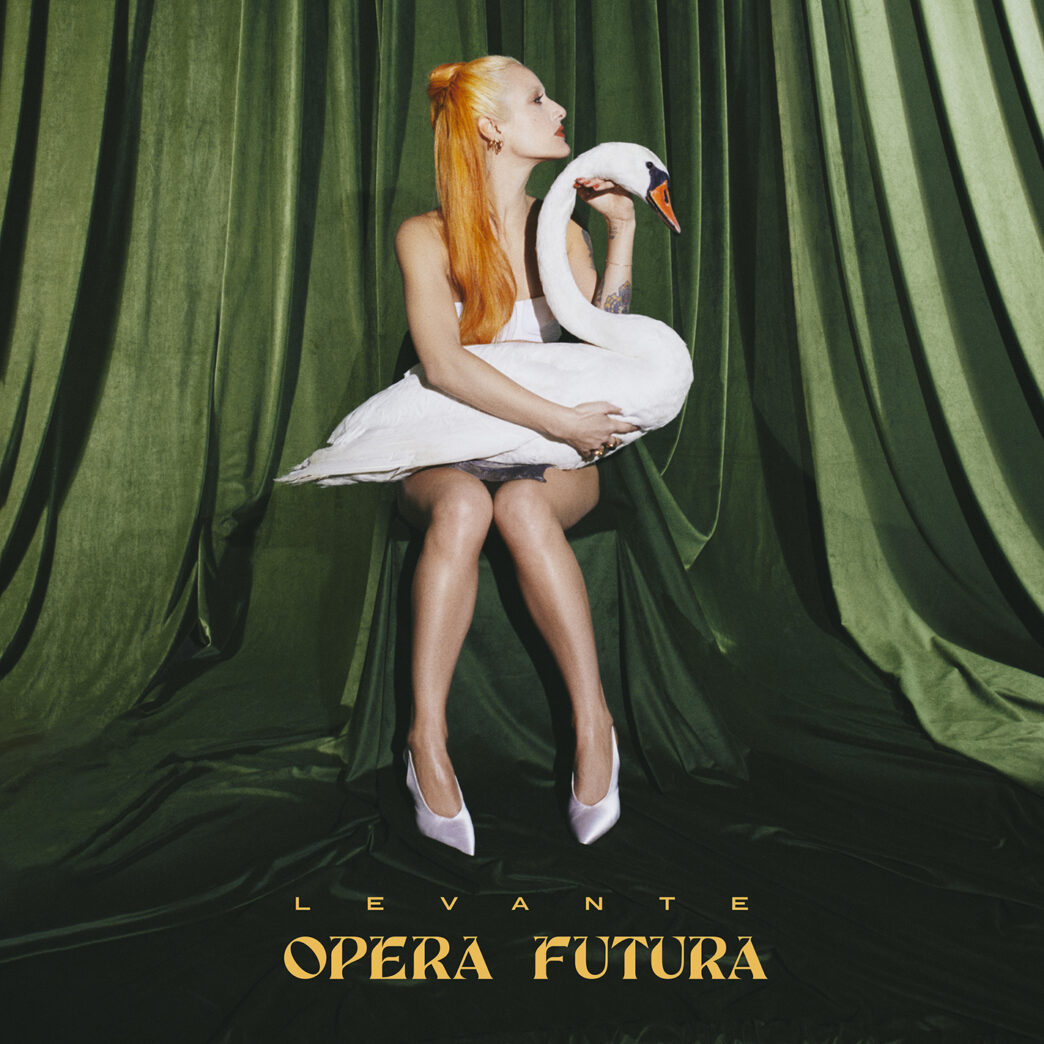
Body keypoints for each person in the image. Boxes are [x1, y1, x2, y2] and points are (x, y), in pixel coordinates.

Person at [395, 55, 637, 854]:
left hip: (548, 456)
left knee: (525, 506)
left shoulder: (562, 233)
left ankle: (594, 725)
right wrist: (562, 420)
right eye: (538, 98)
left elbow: (608, 350)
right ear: (492, 127)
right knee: (466, 505)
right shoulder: (425, 236)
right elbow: (443, 366)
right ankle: (425, 741)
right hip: (447, 443)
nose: (559, 107)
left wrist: (620, 233)